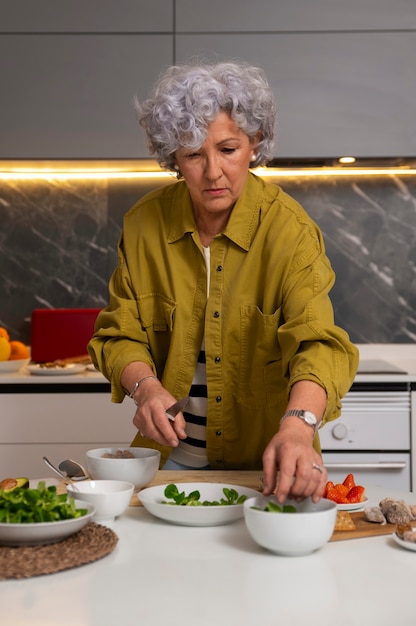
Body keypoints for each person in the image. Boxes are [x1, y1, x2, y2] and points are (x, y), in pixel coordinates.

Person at [88, 60, 359, 503]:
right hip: (167, 466)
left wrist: (298, 427)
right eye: (193, 154)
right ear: (173, 157)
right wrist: (146, 387)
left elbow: (319, 346)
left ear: (254, 144)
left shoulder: (290, 230)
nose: (213, 172)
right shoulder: (143, 226)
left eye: (228, 149)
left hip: (266, 467)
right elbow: (120, 335)